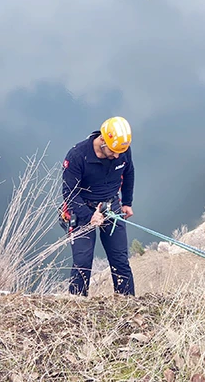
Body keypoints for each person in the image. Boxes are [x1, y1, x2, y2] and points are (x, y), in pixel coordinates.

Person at [61, 116, 136, 297]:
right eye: (113, 151)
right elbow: (69, 194)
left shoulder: (121, 150)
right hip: (82, 209)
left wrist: (127, 202)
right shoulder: (78, 156)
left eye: (120, 151)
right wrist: (89, 216)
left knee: (120, 261)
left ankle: (127, 303)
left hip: (111, 206)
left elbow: (129, 172)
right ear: (102, 140)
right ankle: (75, 307)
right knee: (82, 264)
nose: (117, 155)